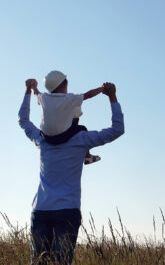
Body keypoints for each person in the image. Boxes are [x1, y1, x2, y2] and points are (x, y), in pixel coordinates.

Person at [18, 79, 124, 265]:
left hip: (41, 209)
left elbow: (23, 120)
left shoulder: (41, 140)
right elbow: (117, 129)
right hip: (67, 210)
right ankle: (87, 157)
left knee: (38, 262)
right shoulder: (81, 139)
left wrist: (29, 91)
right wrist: (112, 97)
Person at [31, 70, 103, 164]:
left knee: (71, 108)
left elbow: (36, 93)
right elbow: (88, 95)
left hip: (45, 137)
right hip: (61, 137)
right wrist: (102, 88)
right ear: (64, 85)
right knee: (82, 128)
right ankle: (87, 156)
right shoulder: (69, 98)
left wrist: (32, 86)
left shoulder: (44, 97)